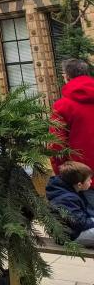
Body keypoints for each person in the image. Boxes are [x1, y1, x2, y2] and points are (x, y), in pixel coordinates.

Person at [50, 58, 94, 207]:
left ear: (67, 77)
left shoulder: (62, 106)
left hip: (81, 177)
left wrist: (63, 175)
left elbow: (57, 145)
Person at [46, 161, 94, 248]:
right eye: (88, 180)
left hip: (74, 231)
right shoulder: (67, 199)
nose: (91, 181)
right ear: (79, 184)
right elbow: (80, 223)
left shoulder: (71, 191)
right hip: (70, 236)